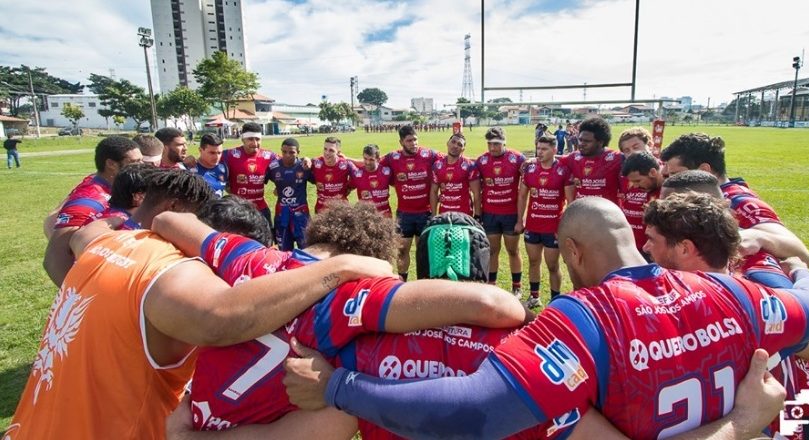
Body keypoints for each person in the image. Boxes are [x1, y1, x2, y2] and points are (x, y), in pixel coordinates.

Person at [282, 196, 809, 439]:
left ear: (572, 253)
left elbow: (476, 413)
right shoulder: (734, 296)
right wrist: (783, 271)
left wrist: (341, 387)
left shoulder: (581, 319)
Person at [10, 186, 394, 438]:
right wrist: (336, 271)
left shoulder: (124, 245)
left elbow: (70, 233)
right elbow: (221, 318)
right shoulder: (182, 290)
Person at [147, 201, 527, 434]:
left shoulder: (253, 259)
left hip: (190, 416)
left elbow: (166, 220)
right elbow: (492, 306)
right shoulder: (350, 297)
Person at [655, 174, 809, 440]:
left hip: (795, 400)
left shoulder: (754, 267)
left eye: (674, 206)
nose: (664, 215)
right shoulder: (675, 263)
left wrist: (752, 316)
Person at [659, 132, 809, 265]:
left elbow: (803, 254)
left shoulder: (741, 202)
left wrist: (759, 237)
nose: (670, 180)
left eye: (676, 174)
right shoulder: (708, 196)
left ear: (704, 170)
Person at [43, 136, 143, 286]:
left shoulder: (117, 188)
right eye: (135, 162)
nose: (141, 166)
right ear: (111, 164)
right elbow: (54, 258)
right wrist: (78, 294)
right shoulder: (90, 199)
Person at [515, 134, 574, 307]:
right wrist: (520, 220)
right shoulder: (530, 169)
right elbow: (522, 197)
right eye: (538, 148)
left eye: (544, 149)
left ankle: (555, 300)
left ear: (555, 150)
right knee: (533, 262)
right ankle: (534, 296)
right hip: (533, 225)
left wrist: (567, 227)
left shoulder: (563, 170)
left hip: (553, 227)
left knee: (553, 266)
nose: (540, 152)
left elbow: (571, 202)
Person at [380, 125, 443, 281]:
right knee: (402, 251)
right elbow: (372, 164)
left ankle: (423, 283)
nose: (413, 143)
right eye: (409, 141)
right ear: (401, 142)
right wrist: (343, 159)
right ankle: (402, 282)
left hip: (425, 213)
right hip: (404, 214)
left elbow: (452, 160)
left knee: (424, 252)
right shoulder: (392, 158)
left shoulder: (430, 155)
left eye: (415, 139)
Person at [476, 126, 525, 296]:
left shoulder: (518, 159)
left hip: (510, 214)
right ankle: (491, 284)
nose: (492, 148)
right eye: (489, 144)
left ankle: (517, 286)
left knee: (513, 250)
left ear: (504, 143)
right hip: (490, 214)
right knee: (492, 250)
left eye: (496, 144)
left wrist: (521, 217)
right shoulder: (481, 161)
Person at [221, 122, 277, 228]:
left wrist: (305, 160)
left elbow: (289, 164)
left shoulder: (269, 156)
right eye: (250, 139)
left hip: (260, 207)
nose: (255, 143)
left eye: (258, 139)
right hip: (237, 209)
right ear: (243, 139)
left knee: (267, 241)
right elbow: (208, 161)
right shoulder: (229, 155)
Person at [266, 137, 314, 250]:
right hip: (282, 214)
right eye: (284, 152)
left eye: (292, 152)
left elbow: (321, 181)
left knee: (307, 249)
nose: (287, 155)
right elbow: (260, 180)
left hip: (301, 214)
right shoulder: (273, 167)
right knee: (284, 250)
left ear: (298, 152)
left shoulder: (304, 166)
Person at [561, 116, 622, 203]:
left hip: (606, 214)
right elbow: (552, 159)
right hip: (580, 213)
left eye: (587, 141)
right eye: (580, 140)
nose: (581, 144)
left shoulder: (617, 158)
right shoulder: (573, 157)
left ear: (600, 142)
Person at [620, 151, 663, 254]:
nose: (635, 186)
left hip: (657, 252)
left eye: (638, 181)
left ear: (652, 172)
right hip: (633, 247)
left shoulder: (669, 189)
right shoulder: (643, 186)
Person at [430, 132, 481, 217]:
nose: (455, 146)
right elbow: (434, 191)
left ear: (463, 149)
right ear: (447, 143)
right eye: (453, 142)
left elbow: (476, 193)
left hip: (464, 215)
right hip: (444, 214)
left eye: (460, 144)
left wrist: (477, 215)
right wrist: (434, 215)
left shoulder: (470, 166)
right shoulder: (437, 166)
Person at [310, 136, 355, 214]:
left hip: (341, 210)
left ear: (338, 152)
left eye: (331, 150)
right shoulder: (316, 163)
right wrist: (306, 159)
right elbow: (298, 165)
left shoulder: (345, 164)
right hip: (321, 210)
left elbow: (360, 175)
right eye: (325, 149)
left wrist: (349, 187)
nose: (327, 153)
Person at [349, 144, 392, 217]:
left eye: (371, 159)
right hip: (366, 218)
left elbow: (397, 185)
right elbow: (347, 189)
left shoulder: (387, 172)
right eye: (365, 159)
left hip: (385, 217)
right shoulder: (357, 174)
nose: (367, 162)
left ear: (378, 159)